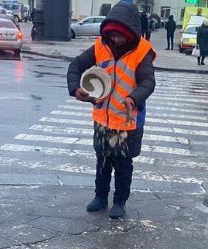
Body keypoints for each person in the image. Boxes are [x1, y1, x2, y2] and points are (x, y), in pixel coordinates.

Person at [66, 0, 156, 220]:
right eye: (113, 34)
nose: (116, 39)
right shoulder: (100, 46)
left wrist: (133, 99)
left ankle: (119, 201)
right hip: (103, 119)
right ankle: (100, 196)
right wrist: (76, 89)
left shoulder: (141, 52)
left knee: (123, 165)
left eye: (121, 35)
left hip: (128, 120)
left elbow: (148, 83)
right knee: (103, 160)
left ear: (131, 33)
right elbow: (75, 66)